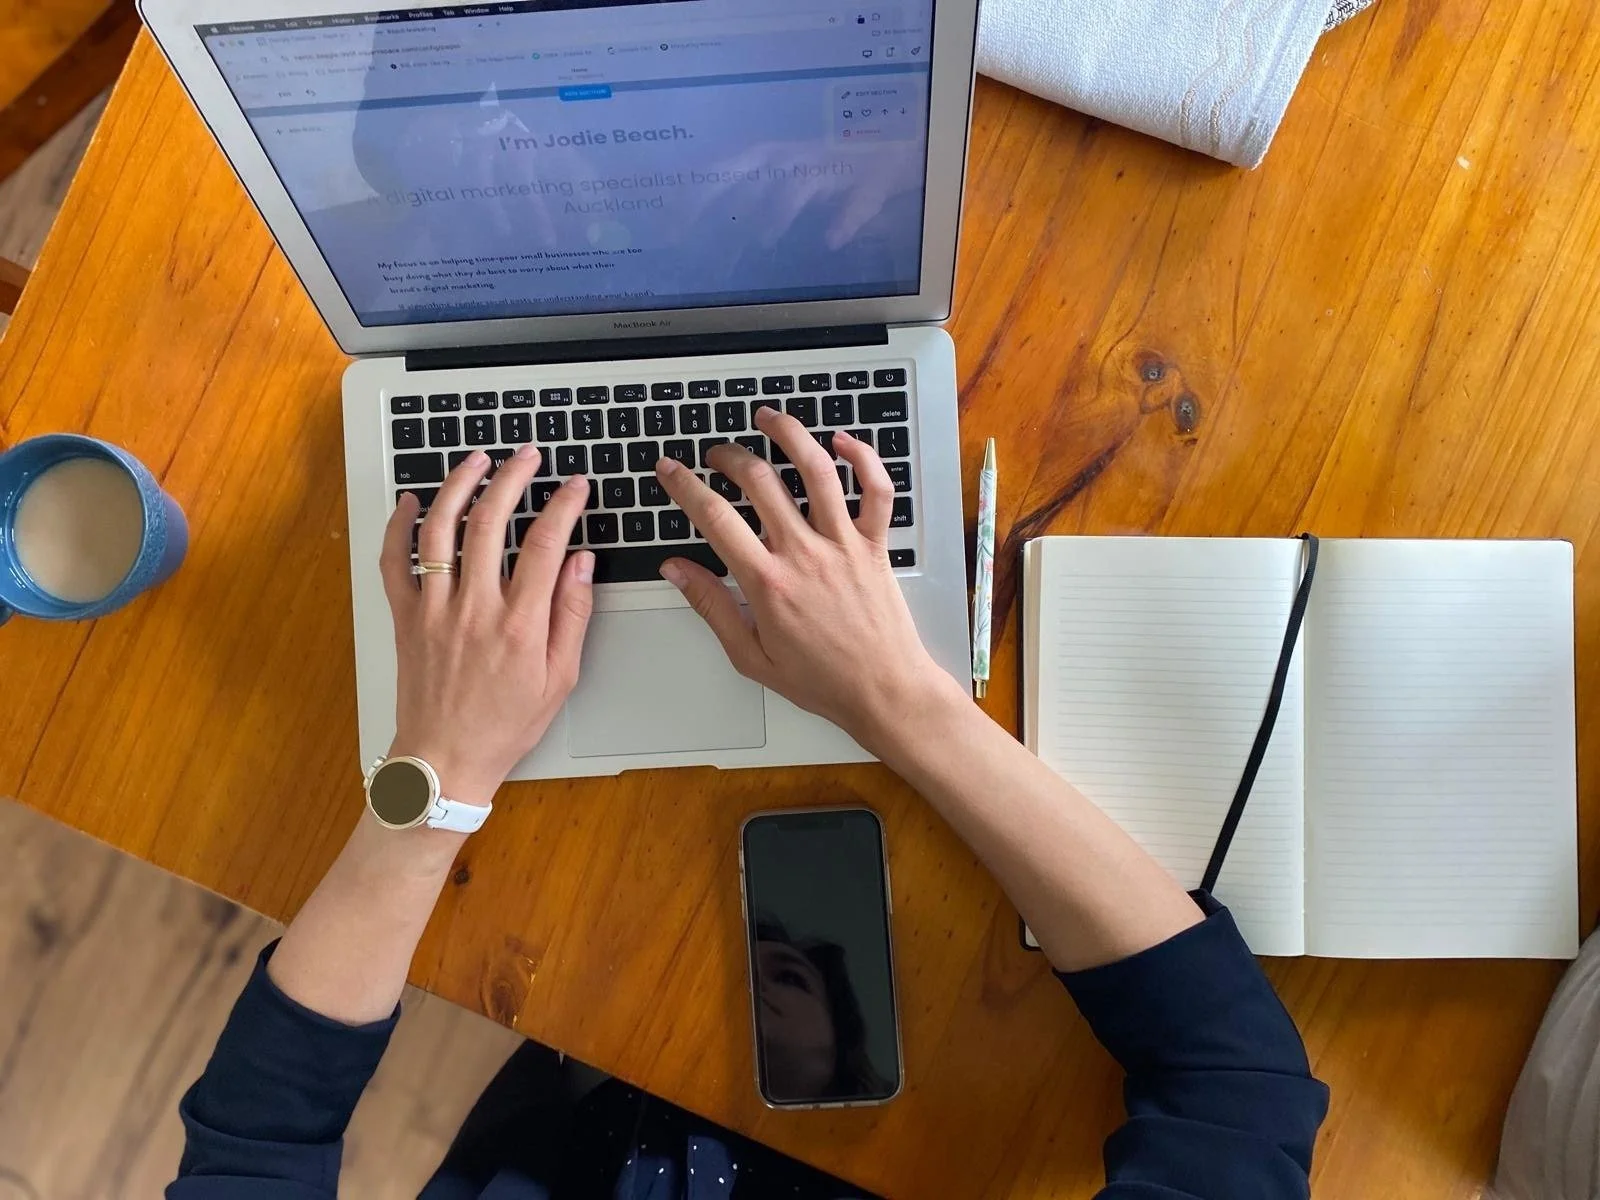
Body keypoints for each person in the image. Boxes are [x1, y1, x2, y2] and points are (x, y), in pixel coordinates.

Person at [167, 407, 1329, 1199]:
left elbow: (259, 1143)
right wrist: (900, 702)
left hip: (581, 1103)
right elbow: (1236, 1090)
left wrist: (435, 785)